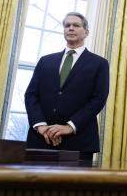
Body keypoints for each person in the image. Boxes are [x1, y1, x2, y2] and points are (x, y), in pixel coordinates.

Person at [25, 12, 109, 161]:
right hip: (41, 139)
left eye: (76, 25)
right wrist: (41, 126)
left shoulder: (99, 63)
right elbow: (31, 95)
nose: (70, 28)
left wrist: (70, 127)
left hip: (78, 141)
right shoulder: (45, 61)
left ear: (86, 32)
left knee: (73, 186)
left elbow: (98, 99)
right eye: (67, 25)